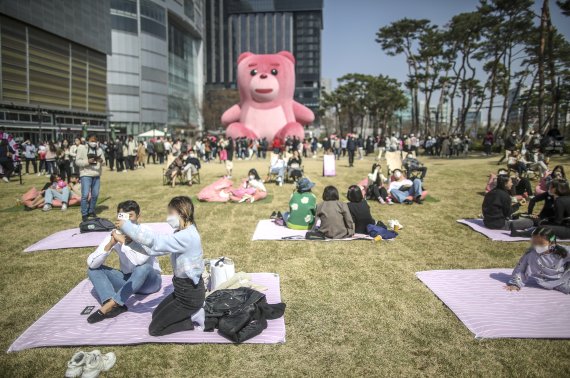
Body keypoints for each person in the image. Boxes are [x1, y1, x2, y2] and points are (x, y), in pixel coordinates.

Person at [117, 196, 205, 336]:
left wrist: (127, 226)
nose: (168, 217)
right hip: (181, 291)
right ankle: (191, 312)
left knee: (155, 330)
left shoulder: (187, 236)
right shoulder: (182, 233)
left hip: (190, 295)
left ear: (182, 212)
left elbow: (156, 241)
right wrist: (131, 243)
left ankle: (193, 316)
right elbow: (155, 249)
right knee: (155, 315)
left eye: (170, 213)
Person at [86, 200, 162, 323]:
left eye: (130, 216)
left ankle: (110, 305)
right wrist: (110, 244)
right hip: (128, 281)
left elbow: (140, 260)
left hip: (150, 282)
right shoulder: (115, 234)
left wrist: (122, 240)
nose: (126, 220)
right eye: (122, 216)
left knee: (143, 268)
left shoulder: (146, 232)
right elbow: (92, 262)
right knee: (93, 269)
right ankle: (113, 304)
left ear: (138, 216)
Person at [505, 227, 570, 294]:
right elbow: (521, 269)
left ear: (551, 242)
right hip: (549, 281)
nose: (537, 246)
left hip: (565, 277)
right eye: (534, 243)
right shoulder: (531, 254)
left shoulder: (564, 251)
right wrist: (515, 284)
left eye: (541, 243)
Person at [76, 136, 104, 221]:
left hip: (96, 174)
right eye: (92, 140)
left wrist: (101, 161)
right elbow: (77, 162)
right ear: (88, 141)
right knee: (85, 195)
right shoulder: (81, 148)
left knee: (95, 195)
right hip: (85, 174)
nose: (94, 142)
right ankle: (84, 213)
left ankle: (91, 210)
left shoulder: (99, 150)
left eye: (95, 141)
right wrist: (87, 162)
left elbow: (104, 161)